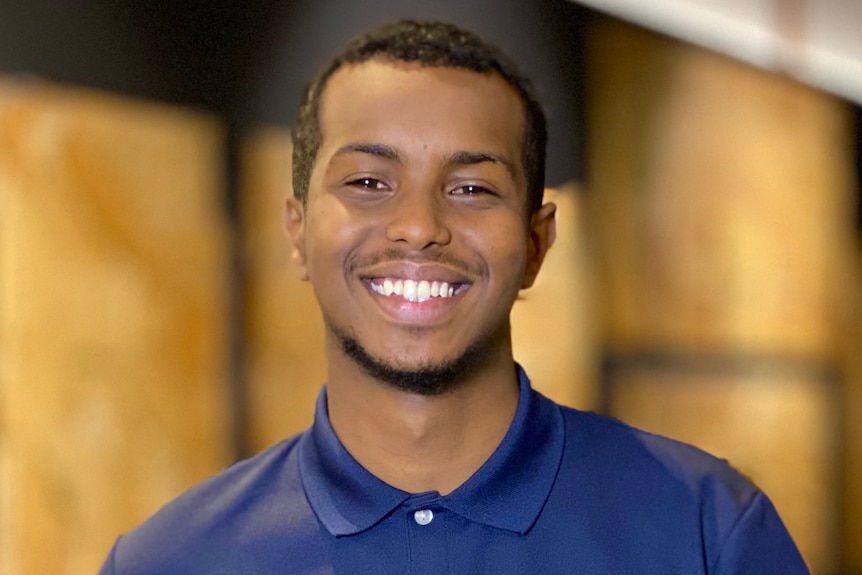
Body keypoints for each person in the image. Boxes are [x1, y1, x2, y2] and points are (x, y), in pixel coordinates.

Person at [99, 19, 809, 574]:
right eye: (369, 183)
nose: (418, 226)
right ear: (297, 230)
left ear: (536, 242)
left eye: (472, 188)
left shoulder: (707, 531)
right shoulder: (168, 561)